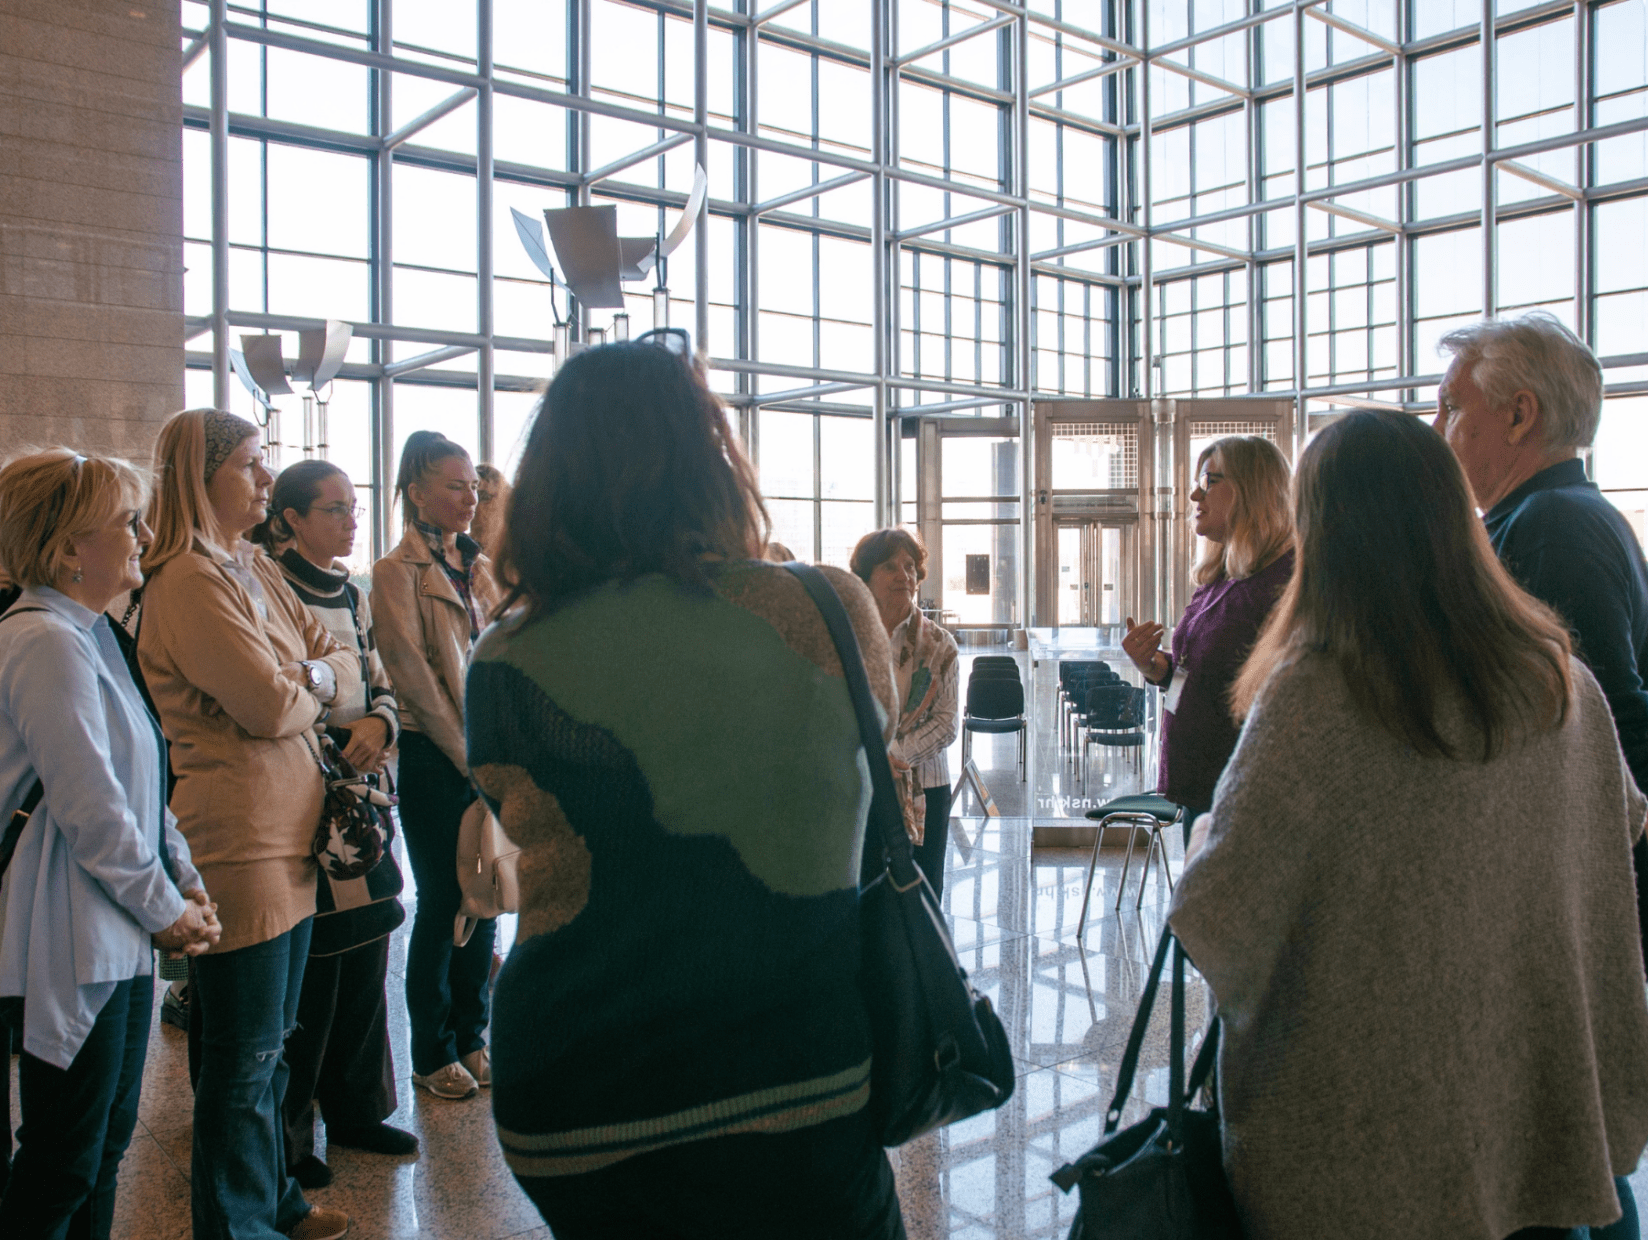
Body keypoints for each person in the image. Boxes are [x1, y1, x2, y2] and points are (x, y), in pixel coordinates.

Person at [1168, 410, 1648, 1240]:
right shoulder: (1563, 684)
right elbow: (1618, 828)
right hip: (1539, 1116)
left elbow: (1218, 916)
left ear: (1323, 530)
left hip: (1370, 1147)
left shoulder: (1317, 695)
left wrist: (1211, 829)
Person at [466, 340, 906, 1239]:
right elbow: (874, 734)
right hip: (792, 1080)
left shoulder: (503, 656)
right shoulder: (826, 607)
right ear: (715, 461)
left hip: (574, 1097)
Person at [1434, 312, 1648, 1239]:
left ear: (1519, 415)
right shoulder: (1562, 517)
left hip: (1556, 888)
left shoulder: (1547, 532)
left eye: (1454, 412)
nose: (1442, 434)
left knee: (1568, 1147)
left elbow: (1593, 729)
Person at [138, 410, 357, 1240]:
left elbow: (338, 659)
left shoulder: (254, 564)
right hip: (241, 844)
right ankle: (235, 1226)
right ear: (202, 478)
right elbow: (267, 706)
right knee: (243, 1057)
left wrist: (307, 678)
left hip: (290, 838)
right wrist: (309, 687)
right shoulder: (190, 580)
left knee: (275, 1044)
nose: (268, 481)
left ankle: (275, 1201)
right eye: (253, 465)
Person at [0, 449, 219, 1239]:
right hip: (69, 932)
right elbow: (90, 805)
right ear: (68, 548)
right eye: (128, 521)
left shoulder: (90, 636)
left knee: (102, 1149)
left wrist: (184, 884)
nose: (145, 535)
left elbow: (141, 780)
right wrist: (167, 909)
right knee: (63, 1157)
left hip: (114, 926)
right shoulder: (44, 640)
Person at [252, 460, 416, 1188]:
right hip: (303, 794)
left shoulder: (352, 592)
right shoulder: (267, 586)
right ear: (289, 518)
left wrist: (381, 721)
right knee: (311, 976)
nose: (352, 521)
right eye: (334, 509)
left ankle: (357, 1108)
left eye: (354, 507)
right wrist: (338, 716)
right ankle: (291, 1134)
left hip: (362, 794)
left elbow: (376, 680)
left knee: (366, 954)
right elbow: (287, 688)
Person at [372, 431, 500, 1101]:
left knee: (485, 896)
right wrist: (466, 754)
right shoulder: (398, 571)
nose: (469, 498)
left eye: (473, 486)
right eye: (455, 486)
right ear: (417, 492)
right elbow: (414, 677)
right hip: (434, 752)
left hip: (482, 750)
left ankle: (475, 1036)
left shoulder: (474, 565)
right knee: (442, 900)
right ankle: (432, 1049)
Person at [1121, 435, 1292, 836]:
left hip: (1245, 793)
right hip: (1201, 783)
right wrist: (1156, 666)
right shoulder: (1221, 579)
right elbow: (1204, 675)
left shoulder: (1284, 582)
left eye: (1210, 480)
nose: (1195, 493)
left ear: (1253, 491)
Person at [850, 527, 959, 899]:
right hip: (860, 782)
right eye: (889, 566)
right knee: (864, 889)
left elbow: (947, 723)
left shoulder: (939, 643)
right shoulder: (849, 639)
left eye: (910, 566)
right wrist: (872, 757)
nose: (904, 575)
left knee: (922, 896)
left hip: (925, 787)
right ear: (865, 578)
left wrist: (894, 755)